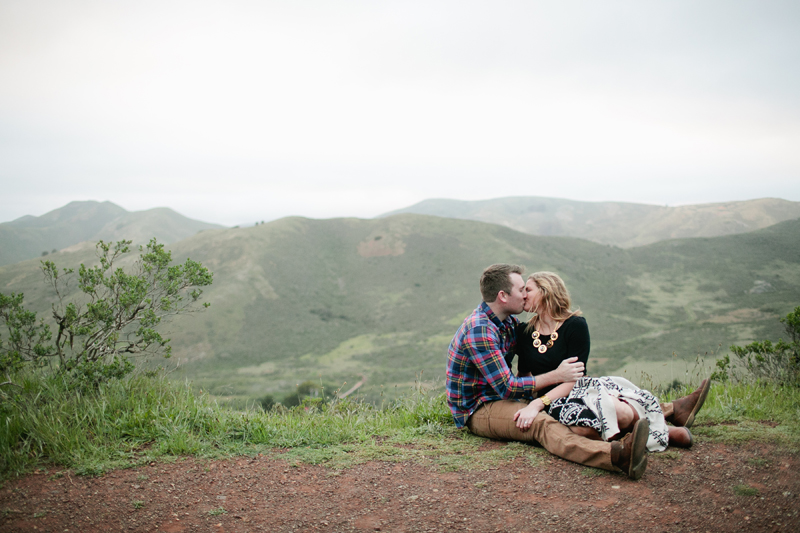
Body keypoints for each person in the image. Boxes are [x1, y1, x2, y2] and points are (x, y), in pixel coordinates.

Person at [446, 264, 652, 479]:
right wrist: (556, 377)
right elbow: (507, 387)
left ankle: (667, 414)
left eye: (528, 290)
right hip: (478, 407)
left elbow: (537, 356)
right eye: (521, 290)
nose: (524, 296)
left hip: (505, 397)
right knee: (540, 423)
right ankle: (615, 456)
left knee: (593, 400)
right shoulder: (480, 329)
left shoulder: (507, 324)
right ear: (503, 296)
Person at [509, 271, 709, 452]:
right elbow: (526, 375)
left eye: (528, 289)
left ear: (545, 292)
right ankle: (654, 431)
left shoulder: (575, 326)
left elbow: (573, 379)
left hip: (578, 389)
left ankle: (661, 429)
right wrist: (526, 401)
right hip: (552, 402)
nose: (524, 295)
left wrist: (537, 403)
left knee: (617, 410)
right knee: (583, 428)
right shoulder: (524, 332)